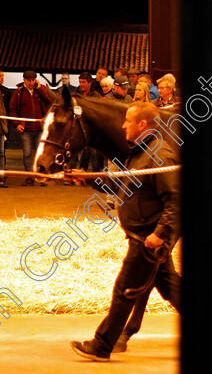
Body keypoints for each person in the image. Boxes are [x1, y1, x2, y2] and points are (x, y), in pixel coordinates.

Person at [71, 101, 182, 361]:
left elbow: (175, 200)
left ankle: (101, 345)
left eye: (128, 121)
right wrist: (87, 178)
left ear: (142, 124)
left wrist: (160, 234)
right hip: (144, 237)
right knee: (172, 290)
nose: (123, 125)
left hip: (147, 239)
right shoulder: (140, 154)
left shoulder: (159, 156)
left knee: (124, 291)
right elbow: (124, 186)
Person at [9, 70, 53, 186]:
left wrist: (40, 89)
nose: (31, 82)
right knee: (27, 153)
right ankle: (30, 177)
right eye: (29, 80)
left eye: (33, 80)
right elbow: (12, 109)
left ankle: (41, 176)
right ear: (24, 80)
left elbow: (49, 101)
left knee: (41, 154)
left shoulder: (40, 90)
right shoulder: (18, 93)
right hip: (26, 129)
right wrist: (16, 124)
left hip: (40, 128)